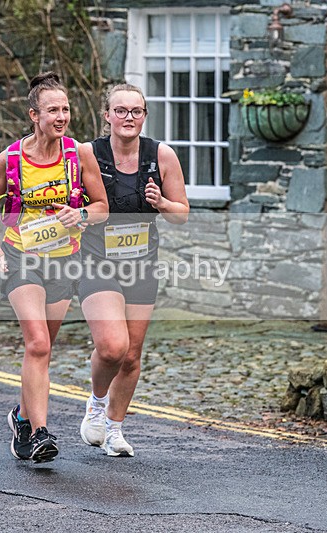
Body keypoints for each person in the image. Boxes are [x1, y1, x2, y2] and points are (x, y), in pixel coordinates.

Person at [0, 72, 108, 463]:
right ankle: (39, 433)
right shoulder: (11, 158)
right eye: (53, 110)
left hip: (63, 259)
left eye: (65, 109)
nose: (62, 116)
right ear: (34, 115)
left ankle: (21, 417)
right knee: (37, 343)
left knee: (44, 349)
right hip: (21, 256)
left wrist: (80, 214)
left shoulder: (78, 155)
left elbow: (102, 207)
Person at [78, 84, 189, 457]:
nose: (129, 117)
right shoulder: (88, 154)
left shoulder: (161, 155)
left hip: (142, 264)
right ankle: (96, 405)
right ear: (107, 115)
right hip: (97, 261)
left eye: (136, 111)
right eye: (121, 111)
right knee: (112, 347)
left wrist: (162, 203)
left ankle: (114, 429)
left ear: (144, 115)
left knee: (131, 354)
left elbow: (182, 214)